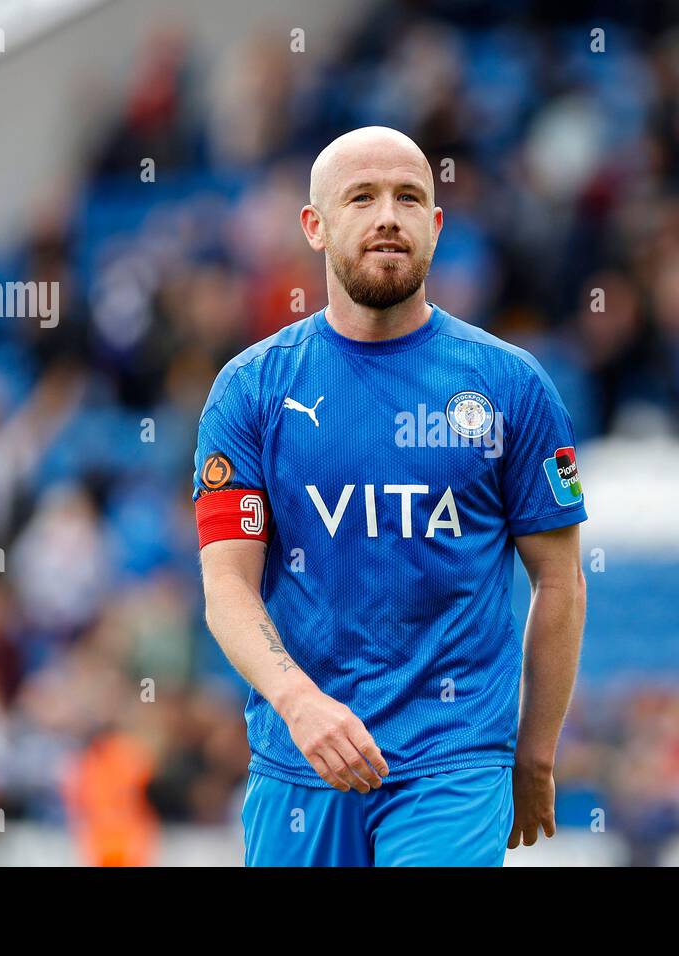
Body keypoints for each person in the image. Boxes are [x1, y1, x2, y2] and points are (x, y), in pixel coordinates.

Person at [193, 126, 588, 866]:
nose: (387, 216)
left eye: (410, 198)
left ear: (436, 227)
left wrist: (533, 753)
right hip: (300, 760)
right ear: (315, 225)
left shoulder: (510, 387)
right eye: (361, 197)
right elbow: (226, 587)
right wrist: (300, 702)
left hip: (453, 761)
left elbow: (560, 580)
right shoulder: (250, 391)